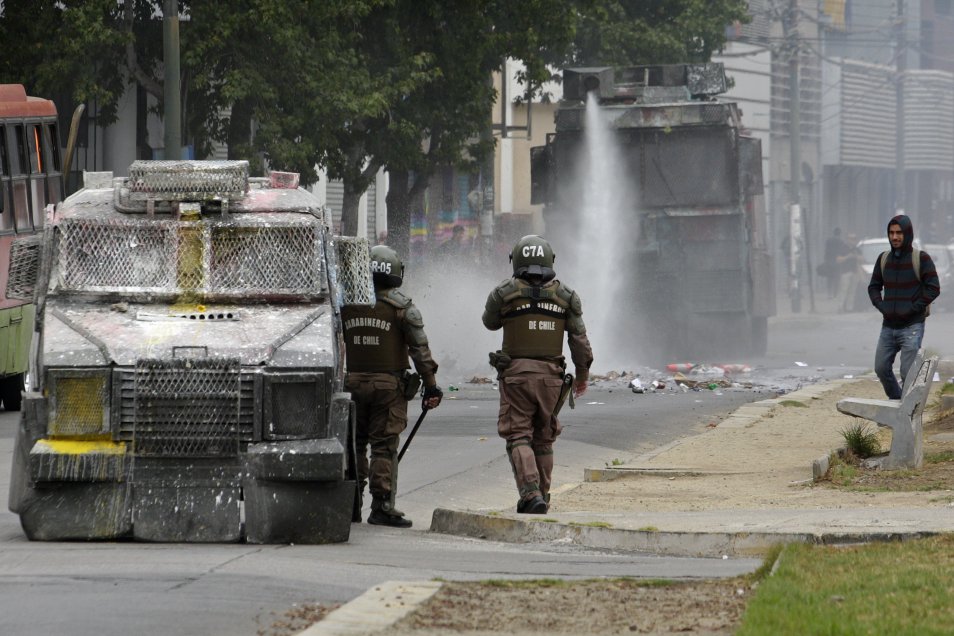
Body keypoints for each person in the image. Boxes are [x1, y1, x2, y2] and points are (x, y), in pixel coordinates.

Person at [482, 235, 593, 514]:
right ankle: (542, 494)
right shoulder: (566, 297)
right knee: (544, 437)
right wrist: (582, 376)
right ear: (549, 261)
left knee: (518, 434)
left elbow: (490, 322)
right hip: (552, 378)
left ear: (517, 259)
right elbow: (579, 341)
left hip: (516, 376)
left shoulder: (503, 293)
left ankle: (531, 494)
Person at [341, 245, 443, 527]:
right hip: (388, 388)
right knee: (384, 447)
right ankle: (382, 506)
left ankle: (350, 504)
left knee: (355, 445)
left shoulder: (346, 305)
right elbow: (420, 351)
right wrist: (431, 386)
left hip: (352, 385)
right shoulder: (403, 308)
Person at [867, 214, 941, 399]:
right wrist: (881, 306)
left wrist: (913, 308)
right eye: (891, 233)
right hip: (888, 327)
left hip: (912, 327)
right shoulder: (883, 259)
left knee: (908, 373)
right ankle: (897, 403)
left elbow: (933, 288)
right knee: (881, 368)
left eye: (899, 232)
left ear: (907, 234)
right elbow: (874, 286)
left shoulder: (921, 259)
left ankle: (905, 412)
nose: (895, 237)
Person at [822, 227, 851, 298]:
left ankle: (829, 294)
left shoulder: (828, 240)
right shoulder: (841, 241)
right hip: (837, 262)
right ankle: (835, 294)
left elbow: (826, 251)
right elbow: (843, 252)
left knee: (829, 278)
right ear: (839, 233)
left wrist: (825, 260)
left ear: (833, 232)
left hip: (829, 261)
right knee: (837, 278)